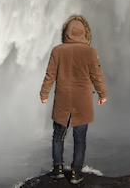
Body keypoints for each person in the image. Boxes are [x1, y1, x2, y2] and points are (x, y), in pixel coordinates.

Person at [40, 15, 108, 184]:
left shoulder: (57, 51)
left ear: (66, 32)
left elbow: (50, 75)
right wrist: (102, 94)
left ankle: (58, 169)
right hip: (83, 101)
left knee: (58, 136)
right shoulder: (90, 52)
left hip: (62, 99)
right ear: (85, 33)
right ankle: (76, 173)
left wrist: (44, 94)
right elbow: (97, 75)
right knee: (80, 139)